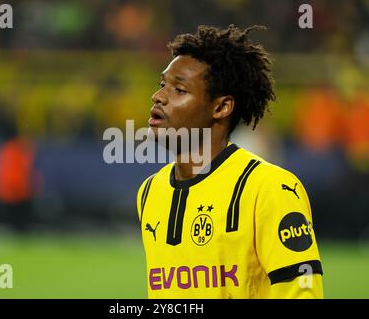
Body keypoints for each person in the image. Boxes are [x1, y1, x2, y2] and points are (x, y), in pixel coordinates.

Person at [136, 25, 324, 298]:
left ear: (221, 107)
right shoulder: (150, 192)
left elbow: (303, 291)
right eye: (162, 84)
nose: (159, 96)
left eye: (179, 89)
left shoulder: (269, 188)